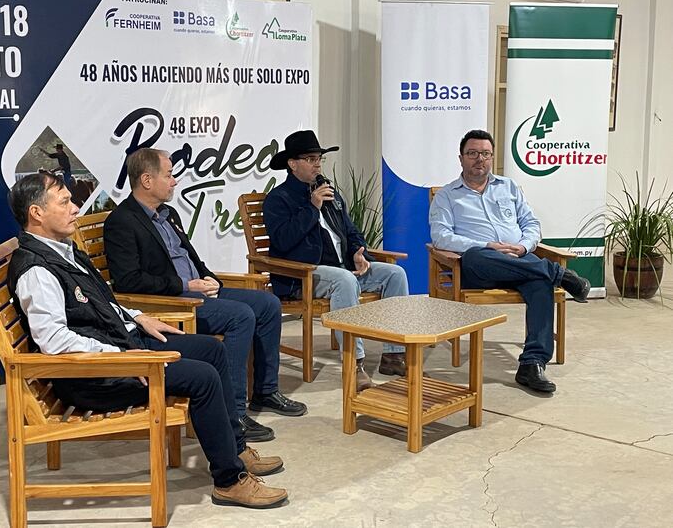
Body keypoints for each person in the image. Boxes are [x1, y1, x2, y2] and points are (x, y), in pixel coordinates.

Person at [5, 172, 288, 509]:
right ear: (37, 213)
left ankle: (236, 449)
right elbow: (54, 340)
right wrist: (123, 356)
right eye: (65, 201)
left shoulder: (64, 251)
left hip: (120, 347)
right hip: (93, 376)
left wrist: (136, 316)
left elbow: (101, 300)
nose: (76, 208)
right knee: (203, 378)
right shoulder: (36, 270)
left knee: (212, 350)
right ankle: (229, 480)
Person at [104, 149, 307, 444]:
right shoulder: (121, 222)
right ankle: (233, 411)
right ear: (147, 180)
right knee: (241, 316)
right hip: (174, 303)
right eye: (169, 174)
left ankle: (265, 392)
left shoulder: (168, 214)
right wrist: (185, 284)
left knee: (268, 303)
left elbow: (188, 255)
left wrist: (208, 276)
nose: (174, 181)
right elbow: (128, 281)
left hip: (198, 292)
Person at [429, 129, 591, 393]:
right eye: (472, 153)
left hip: (520, 261)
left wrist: (523, 246)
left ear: (492, 157)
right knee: (478, 255)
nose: (479, 159)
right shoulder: (447, 195)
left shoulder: (509, 187)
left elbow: (531, 223)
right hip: (480, 267)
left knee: (540, 281)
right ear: (461, 158)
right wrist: (487, 246)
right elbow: (440, 236)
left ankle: (532, 364)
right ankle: (560, 274)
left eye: (485, 154)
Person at [263, 130, 409, 391]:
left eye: (319, 158)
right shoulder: (278, 199)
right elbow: (283, 241)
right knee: (343, 280)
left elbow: (351, 230)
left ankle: (394, 355)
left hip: (342, 268)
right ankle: (355, 364)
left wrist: (358, 251)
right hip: (305, 275)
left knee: (394, 274)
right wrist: (312, 207)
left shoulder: (329, 191)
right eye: (310, 158)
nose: (317, 164)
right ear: (292, 163)